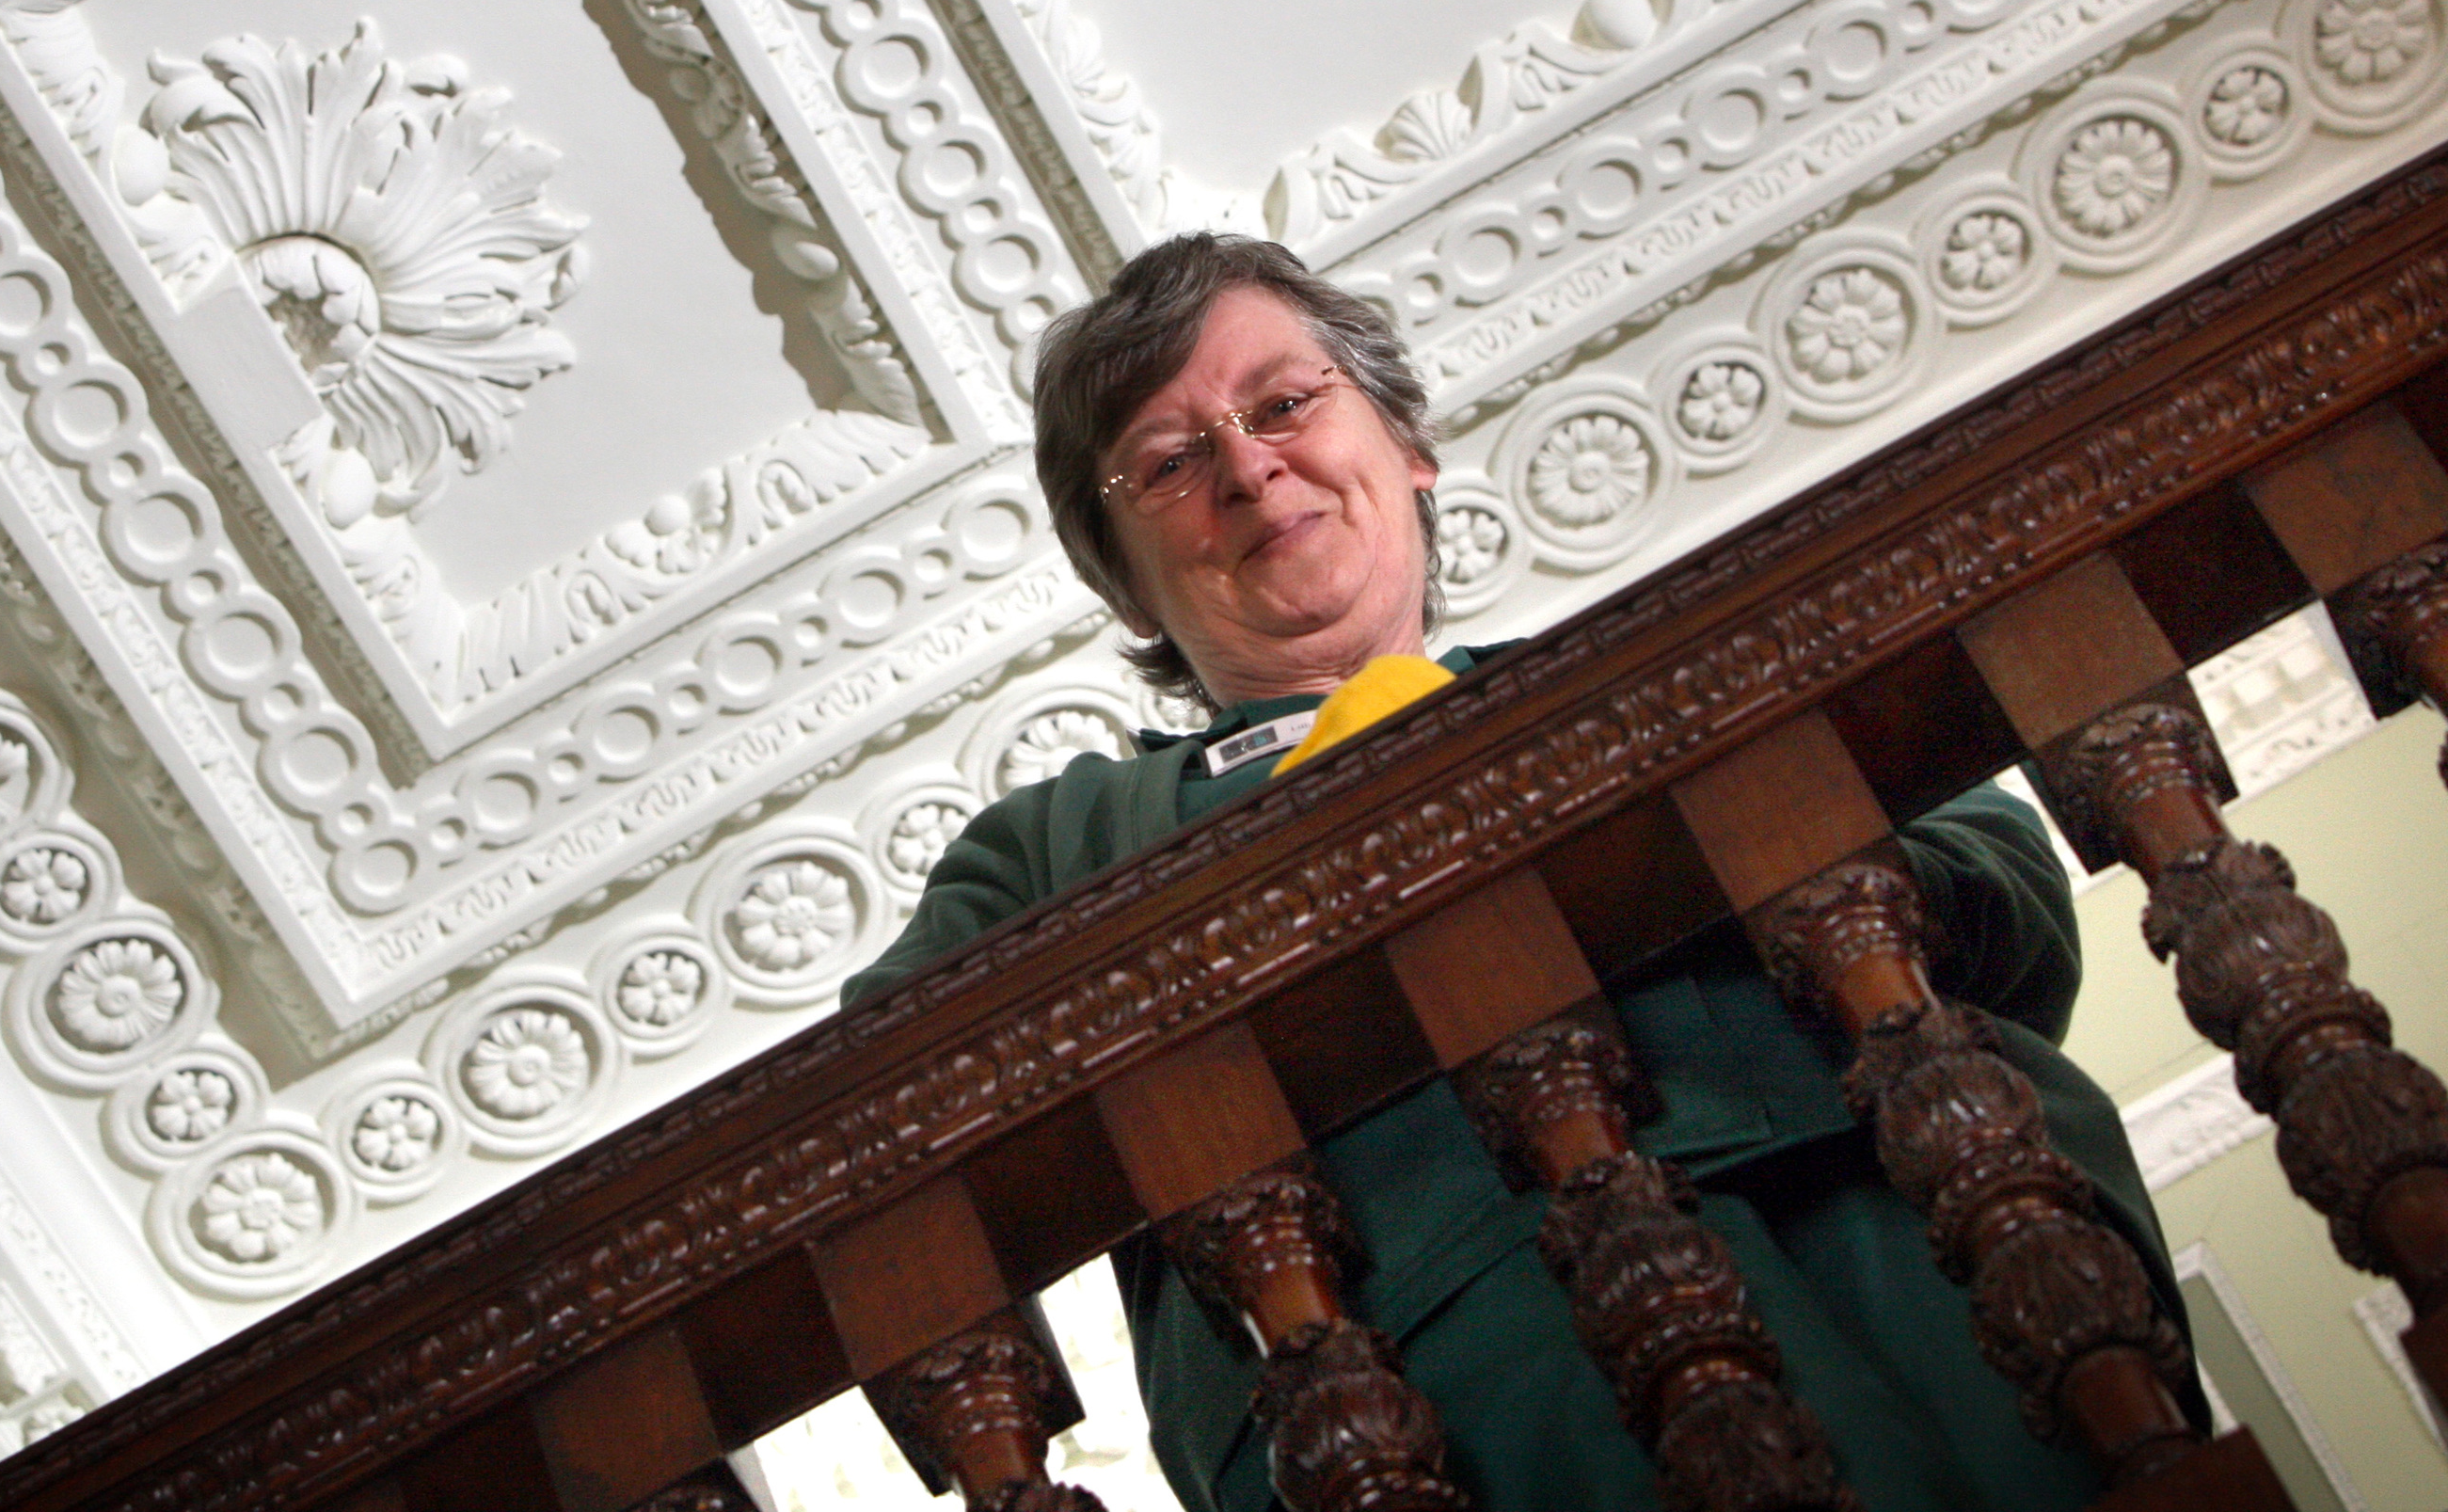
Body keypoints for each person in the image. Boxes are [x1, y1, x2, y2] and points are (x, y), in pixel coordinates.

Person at [840, 233, 2192, 1512]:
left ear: (1408, 449)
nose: (1249, 471)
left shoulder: (1659, 652)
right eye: (1173, 463)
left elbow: (1996, 887)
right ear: (1129, 590)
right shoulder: (1056, 845)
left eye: (1283, 404)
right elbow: (882, 1128)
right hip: (1422, 1367)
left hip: (1876, 1196)